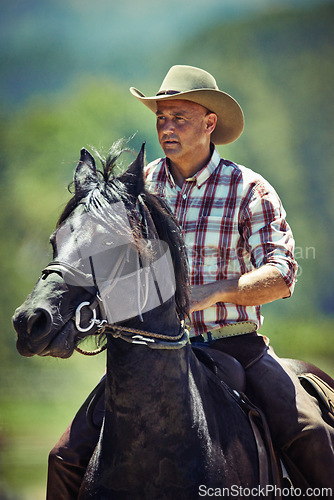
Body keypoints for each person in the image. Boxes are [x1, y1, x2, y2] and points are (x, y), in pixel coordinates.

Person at [47, 65, 334, 498]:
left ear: (209, 123)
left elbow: (281, 275)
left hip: (236, 345)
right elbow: (113, 272)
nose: (167, 127)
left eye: (178, 117)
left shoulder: (248, 189)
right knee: (64, 458)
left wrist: (210, 292)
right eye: (161, 118)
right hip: (149, 355)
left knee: (310, 431)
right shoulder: (139, 190)